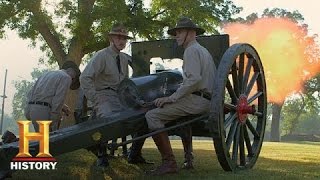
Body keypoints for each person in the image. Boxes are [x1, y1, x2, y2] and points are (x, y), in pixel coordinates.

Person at [145, 17, 216, 175]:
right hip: (204, 99)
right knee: (162, 107)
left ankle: (169, 163)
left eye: (179, 32)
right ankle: (187, 158)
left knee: (152, 116)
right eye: (176, 32)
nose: (176, 35)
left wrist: (171, 98)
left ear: (191, 33)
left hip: (197, 101)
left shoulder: (191, 50)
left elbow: (194, 80)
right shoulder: (202, 51)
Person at [80, 23, 149, 167]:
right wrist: (95, 98)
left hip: (120, 96)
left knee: (144, 118)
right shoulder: (101, 56)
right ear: (111, 38)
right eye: (118, 37)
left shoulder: (123, 59)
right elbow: (85, 77)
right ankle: (102, 154)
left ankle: (134, 154)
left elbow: (125, 83)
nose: (122, 41)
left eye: (124, 38)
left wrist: (136, 100)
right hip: (104, 94)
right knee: (108, 119)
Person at [24, 61, 81, 132]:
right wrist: (53, 120)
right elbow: (58, 101)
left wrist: (63, 107)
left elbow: (33, 94)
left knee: (41, 140)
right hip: (44, 112)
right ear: (73, 72)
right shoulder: (66, 77)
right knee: (48, 141)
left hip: (33, 110)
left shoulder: (47, 74)